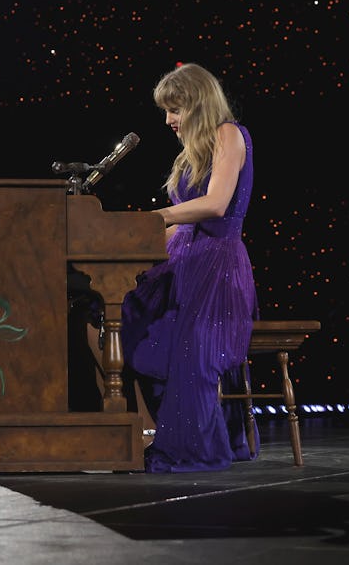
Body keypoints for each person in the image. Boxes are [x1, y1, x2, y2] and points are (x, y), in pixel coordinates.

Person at [120, 63, 260, 473]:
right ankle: (163, 432)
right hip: (184, 259)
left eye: (175, 109)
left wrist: (159, 215)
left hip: (217, 265)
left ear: (197, 103)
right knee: (131, 323)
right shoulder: (189, 156)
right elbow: (178, 224)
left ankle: (198, 448)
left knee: (192, 351)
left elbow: (216, 205)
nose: (168, 120)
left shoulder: (229, 134)